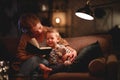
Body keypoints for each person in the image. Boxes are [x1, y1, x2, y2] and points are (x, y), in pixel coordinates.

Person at [16, 13, 77, 80]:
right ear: (29, 32)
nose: (40, 31)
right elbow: (20, 56)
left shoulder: (48, 31)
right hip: (35, 61)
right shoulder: (25, 37)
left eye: (40, 27)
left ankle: (20, 77)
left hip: (49, 61)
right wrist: (34, 55)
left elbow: (63, 43)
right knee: (35, 60)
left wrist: (73, 51)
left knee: (39, 63)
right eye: (35, 32)